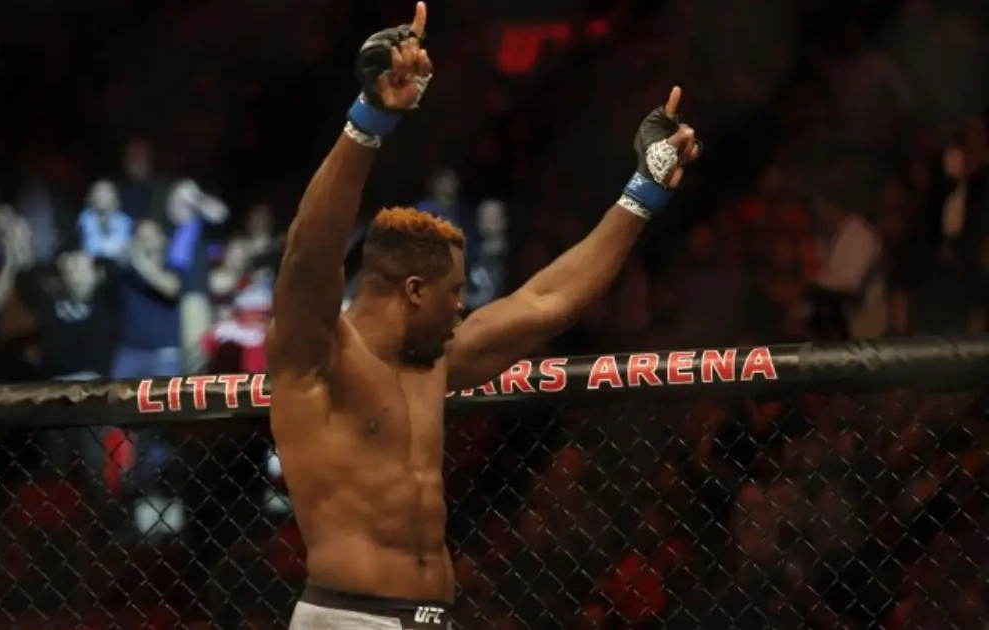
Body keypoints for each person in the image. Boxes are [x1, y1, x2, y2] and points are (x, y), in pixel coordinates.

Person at [267, 3, 702, 629]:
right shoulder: (317, 355)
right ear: (412, 291)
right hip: (348, 617)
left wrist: (643, 194)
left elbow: (547, 302)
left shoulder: (433, 364)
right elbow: (309, 255)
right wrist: (368, 122)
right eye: (453, 293)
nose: (463, 306)